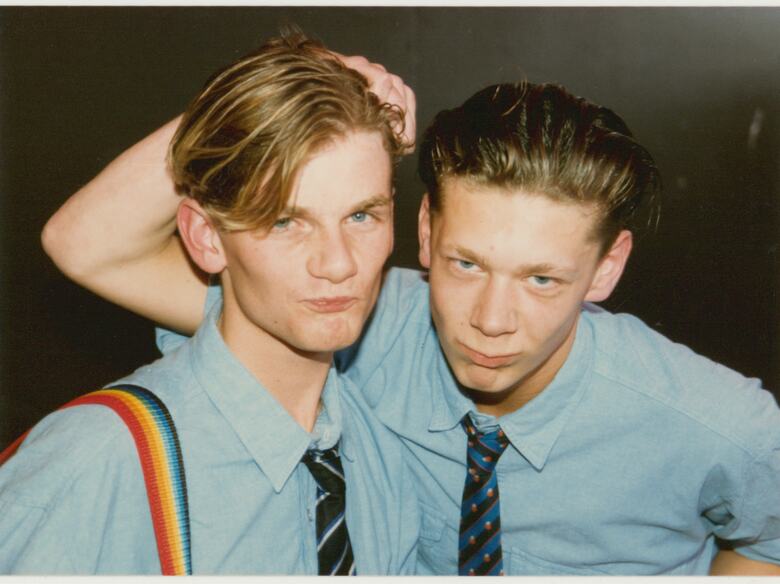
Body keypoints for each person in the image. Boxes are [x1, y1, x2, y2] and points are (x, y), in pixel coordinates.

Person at [42, 71, 780, 574]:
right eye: (466, 264)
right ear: (424, 231)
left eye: (542, 280)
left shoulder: (715, 420)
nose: (491, 320)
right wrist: (294, 90)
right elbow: (86, 246)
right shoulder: (351, 316)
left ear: (607, 268)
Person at [0, 32, 420, 574]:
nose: (338, 263)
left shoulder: (379, 457)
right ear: (205, 237)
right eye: (286, 222)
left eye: (361, 216)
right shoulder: (99, 459)